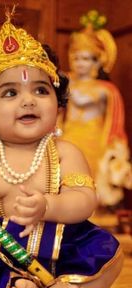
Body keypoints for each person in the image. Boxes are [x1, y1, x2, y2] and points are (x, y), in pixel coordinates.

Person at [0, 9, 123, 288]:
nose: (28, 100)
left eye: (40, 90)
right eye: (10, 92)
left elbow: (84, 201)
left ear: (57, 101)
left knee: (110, 256)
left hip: (62, 248)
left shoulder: (65, 152)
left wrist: (49, 206)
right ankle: (14, 286)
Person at [58, 10, 132, 208]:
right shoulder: (67, 81)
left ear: (98, 61)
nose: (80, 63)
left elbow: (81, 100)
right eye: (77, 57)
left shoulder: (105, 89)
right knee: (66, 177)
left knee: (91, 179)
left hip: (95, 140)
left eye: (87, 58)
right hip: (69, 136)